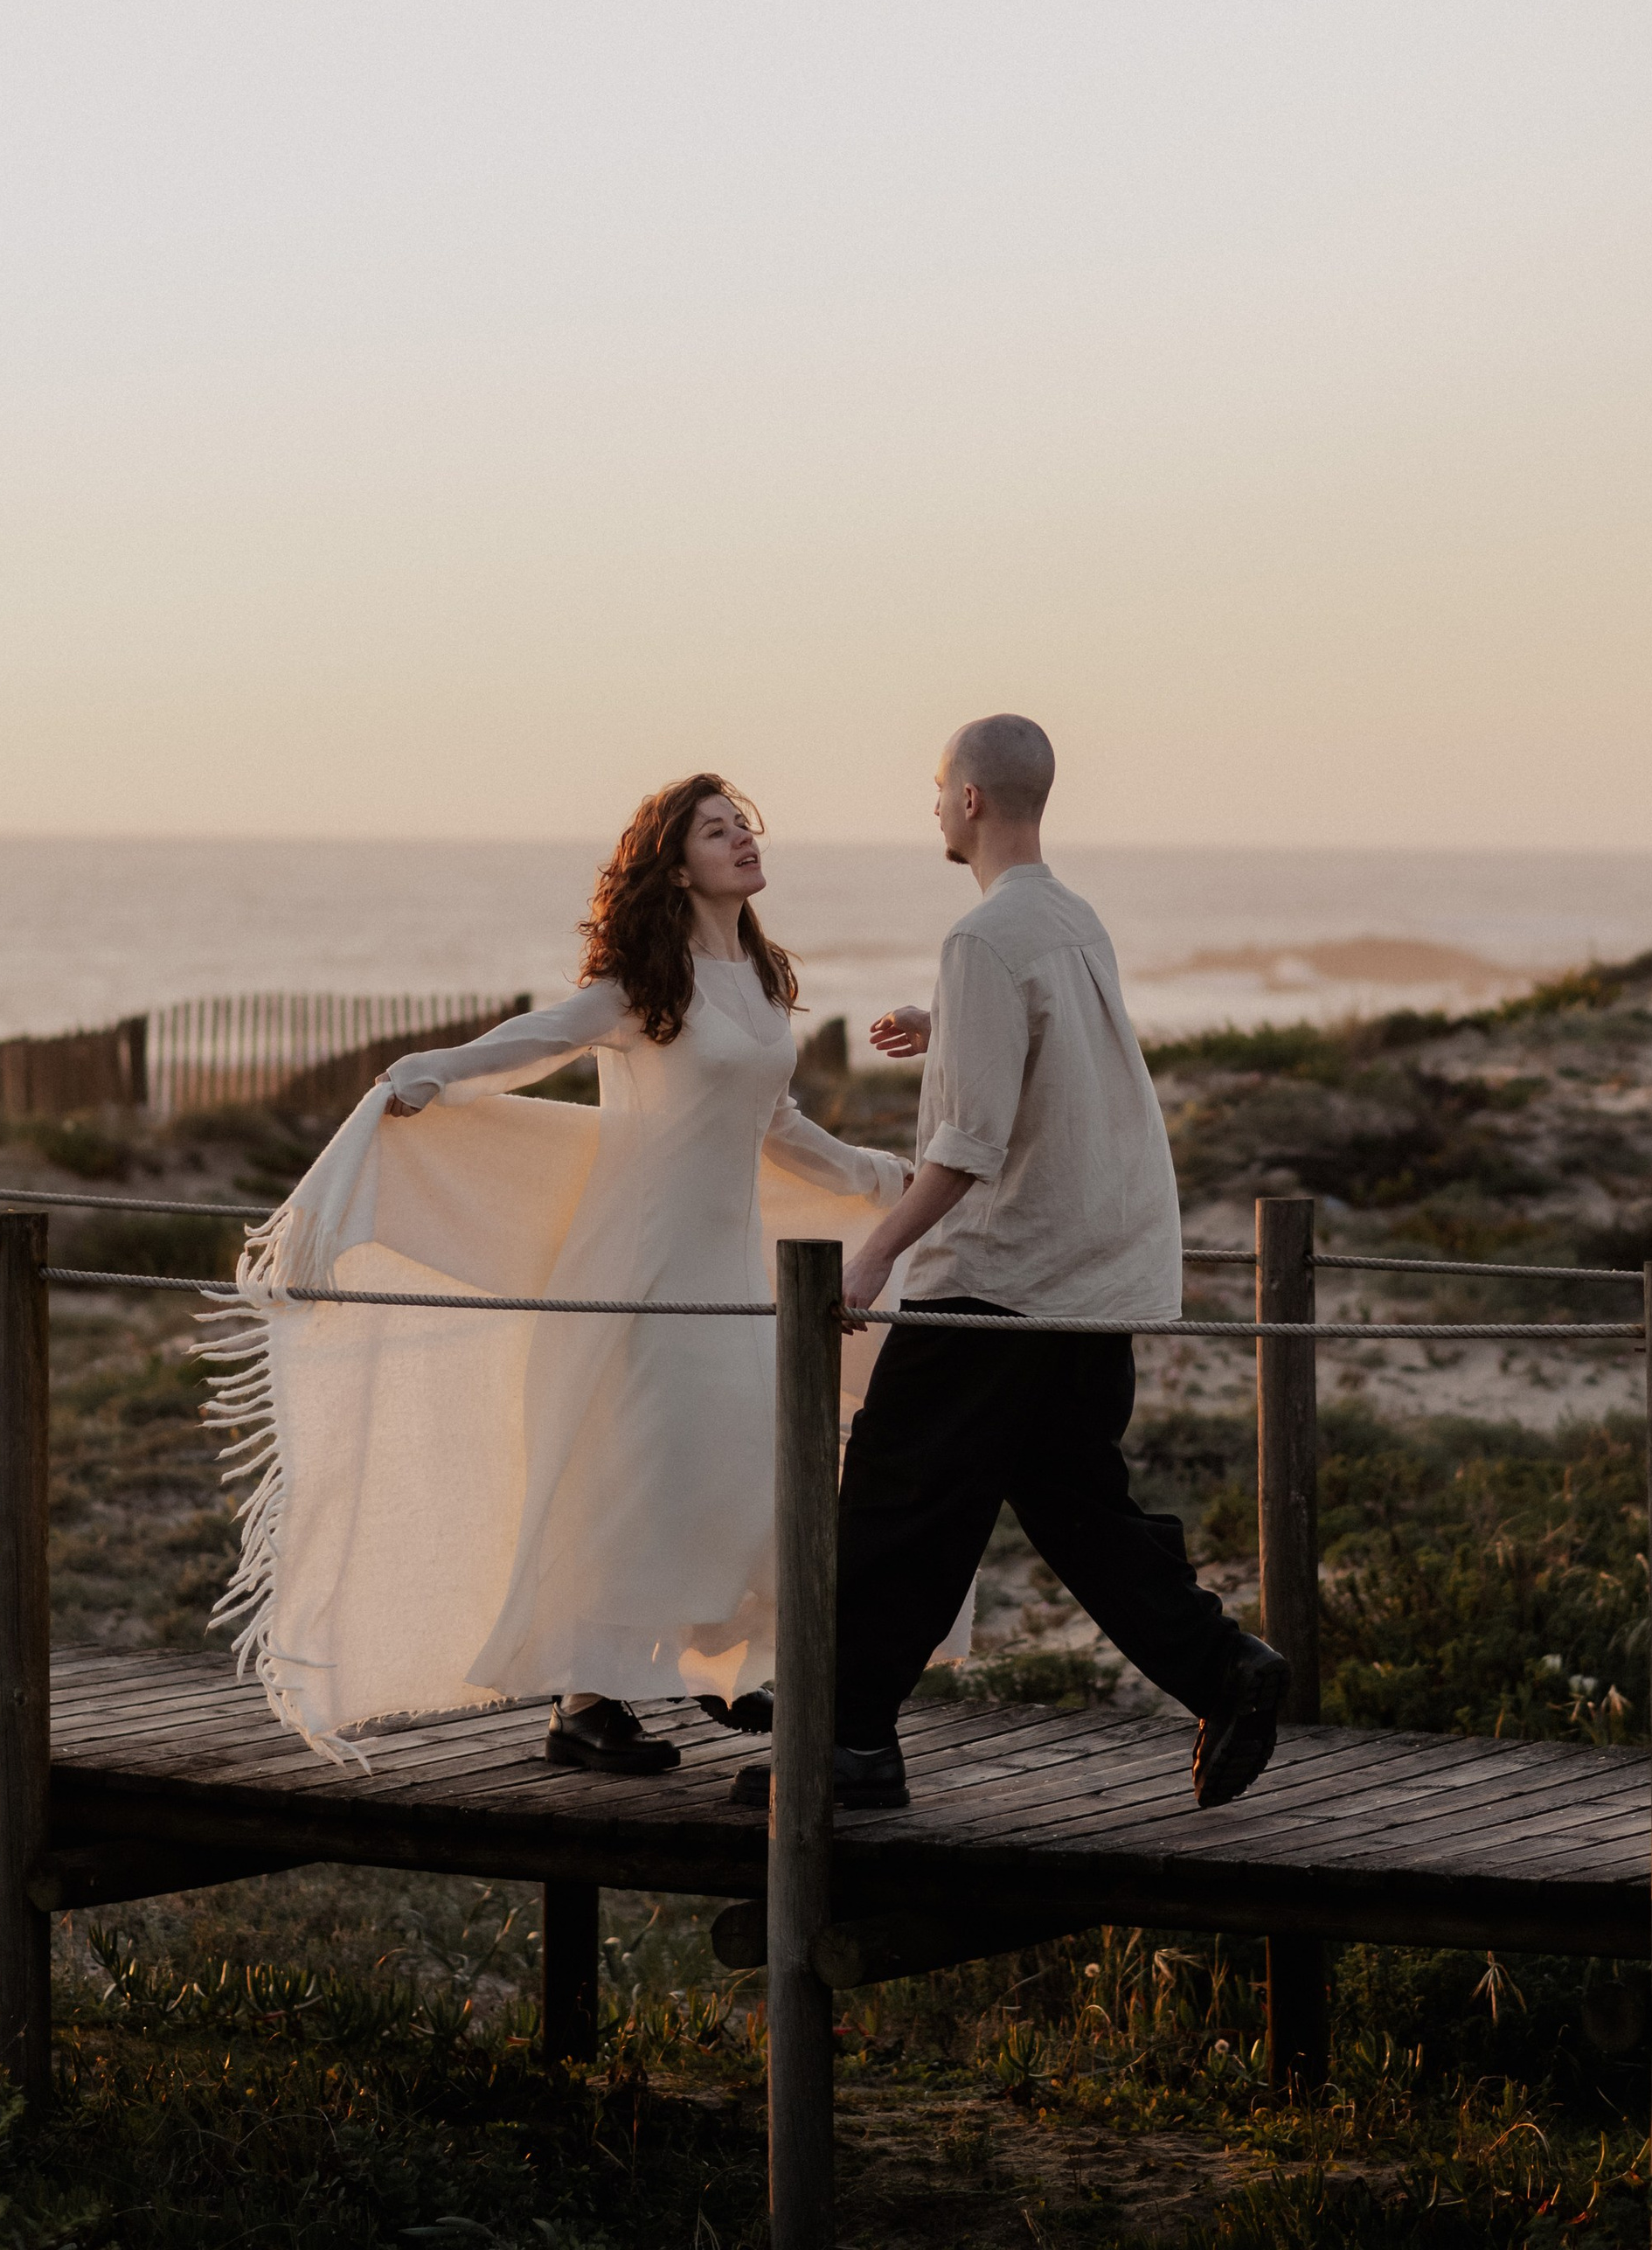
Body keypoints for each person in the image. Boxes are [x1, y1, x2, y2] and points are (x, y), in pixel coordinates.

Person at [206, 774, 910, 1769]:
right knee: (635, 1477)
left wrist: (874, 1177)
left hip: (728, 1268)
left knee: (742, 1460)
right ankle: (584, 1705)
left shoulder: (756, 978)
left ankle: (709, 1669)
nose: (743, 840)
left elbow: (773, 1121)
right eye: (718, 830)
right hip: (640, 1266)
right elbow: (535, 1041)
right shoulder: (643, 986)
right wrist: (428, 1073)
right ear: (676, 863)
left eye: (744, 825)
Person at [822, 714, 1287, 1810]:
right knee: (1080, 1506)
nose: (933, 805)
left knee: (893, 1504)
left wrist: (875, 1253)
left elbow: (968, 1148)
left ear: (971, 799)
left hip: (1001, 1278)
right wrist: (948, 1021)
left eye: (938, 788)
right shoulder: (1066, 918)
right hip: (1095, 1274)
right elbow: (1055, 1043)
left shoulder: (984, 937)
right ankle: (1225, 1670)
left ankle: (847, 1745)